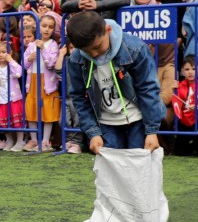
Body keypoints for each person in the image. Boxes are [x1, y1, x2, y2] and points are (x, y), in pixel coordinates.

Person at [63, 10, 165, 153]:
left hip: (138, 118)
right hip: (105, 122)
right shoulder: (76, 59)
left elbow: (148, 88)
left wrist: (151, 130)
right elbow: (79, 97)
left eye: (97, 47)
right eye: (86, 51)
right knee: (110, 164)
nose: (94, 54)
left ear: (108, 30)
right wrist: (93, 132)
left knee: (138, 161)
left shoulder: (135, 48)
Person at [23, 10, 62, 152]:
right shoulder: (31, 45)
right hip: (33, 80)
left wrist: (43, 49)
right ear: (38, 26)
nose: (47, 29)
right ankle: (33, 139)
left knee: (47, 110)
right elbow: (24, 64)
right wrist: (29, 58)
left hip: (47, 82)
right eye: (44, 26)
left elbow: (51, 63)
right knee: (32, 108)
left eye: (50, 27)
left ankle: (45, 140)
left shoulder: (53, 45)